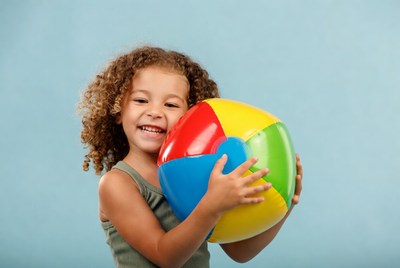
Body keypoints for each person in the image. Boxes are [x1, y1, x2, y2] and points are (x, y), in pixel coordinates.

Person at [78, 46, 303, 267]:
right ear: (118, 111)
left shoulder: (204, 173)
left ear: (189, 116)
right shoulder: (117, 183)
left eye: (171, 104)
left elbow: (238, 252)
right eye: (141, 100)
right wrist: (211, 205)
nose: (155, 112)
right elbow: (165, 257)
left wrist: (284, 204)